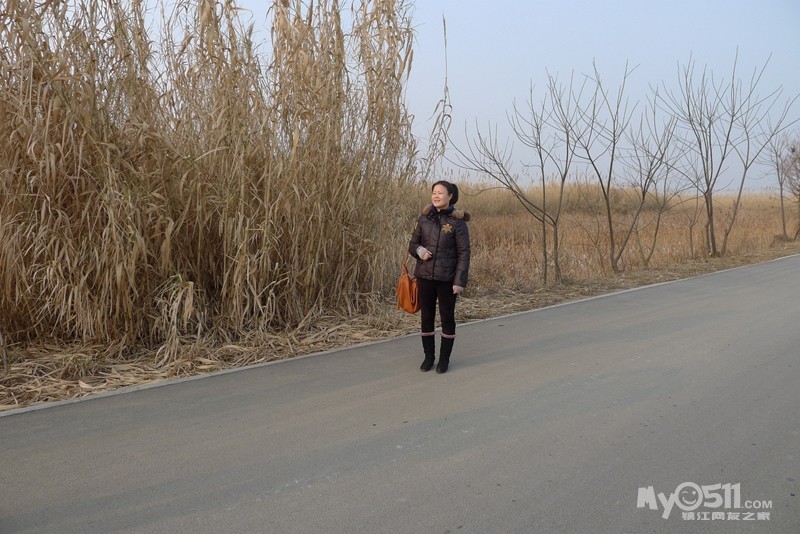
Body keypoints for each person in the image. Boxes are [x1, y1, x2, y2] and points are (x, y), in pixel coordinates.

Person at [408, 180, 471, 374]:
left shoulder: (458, 223)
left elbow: (464, 253)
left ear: (450, 196)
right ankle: (429, 357)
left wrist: (459, 282)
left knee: (447, 318)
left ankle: (444, 360)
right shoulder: (424, 218)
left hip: (447, 279)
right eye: (434, 192)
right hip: (425, 277)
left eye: (440, 193)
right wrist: (420, 251)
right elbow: (412, 244)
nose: (436, 196)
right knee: (426, 317)